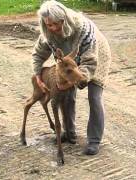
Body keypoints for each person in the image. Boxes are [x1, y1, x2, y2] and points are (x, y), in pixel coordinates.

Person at [32, 0, 111, 155]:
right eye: (49, 25)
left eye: (57, 24)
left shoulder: (83, 28)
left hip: (96, 57)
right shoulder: (48, 33)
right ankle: (69, 133)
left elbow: (89, 62)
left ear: (65, 20)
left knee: (94, 97)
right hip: (69, 62)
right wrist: (38, 76)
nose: (53, 28)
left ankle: (94, 140)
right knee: (66, 96)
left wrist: (71, 82)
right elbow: (38, 54)